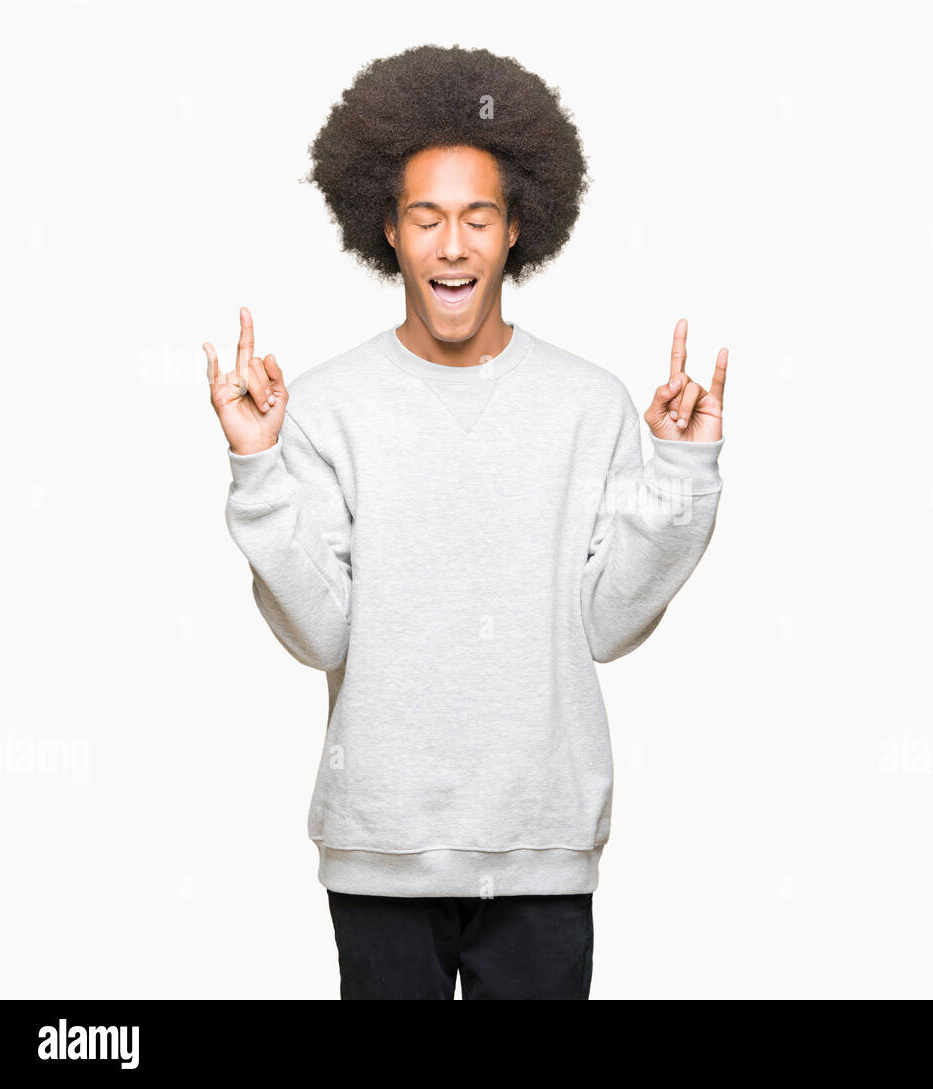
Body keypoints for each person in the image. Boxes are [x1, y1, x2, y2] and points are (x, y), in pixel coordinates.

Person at [203, 44, 727, 1000]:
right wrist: (258, 467)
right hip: (380, 846)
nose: (453, 246)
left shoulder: (589, 404)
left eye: (477, 218)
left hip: (543, 844)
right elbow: (320, 632)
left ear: (517, 228)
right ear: (389, 232)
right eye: (427, 218)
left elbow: (610, 624)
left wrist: (683, 473)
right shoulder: (321, 408)